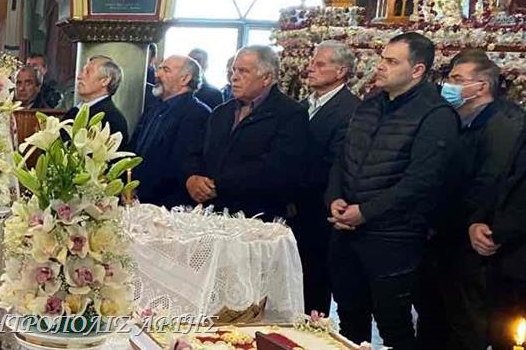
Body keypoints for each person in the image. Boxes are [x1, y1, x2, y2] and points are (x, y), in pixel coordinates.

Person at [326, 32, 460, 350]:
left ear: (417, 70)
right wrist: (334, 198)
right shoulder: (369, 105)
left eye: (391, 61)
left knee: (393, 325)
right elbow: (342, 158)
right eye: (381, 58)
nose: (380, 66)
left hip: (394, 238)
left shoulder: (436, 114)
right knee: (349, 318)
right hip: (347, 230)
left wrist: (365, 212)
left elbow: (421, 181)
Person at [417, 49, 524, 349]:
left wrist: (473, 221)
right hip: (445, 237)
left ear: (481, 86)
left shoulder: (503, 124)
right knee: (436, 318)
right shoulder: (459, 119)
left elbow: (491, 182)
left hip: (471, 241)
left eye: (457, 79)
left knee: (466, 324)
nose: (448, 86)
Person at [192, 45, 308, 219]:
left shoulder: (291, 114)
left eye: (243, 71)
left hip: (256, 217)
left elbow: (277, 169)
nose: (234, 77)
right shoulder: (221, 112)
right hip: (211, 213)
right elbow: (196, 151)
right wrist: (192, 178)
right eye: (234, 70)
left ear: (266, 77)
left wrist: (219, 185)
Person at [295, 40, 359, 314]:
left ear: (341, 71)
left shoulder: (351, 110)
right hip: (292, 208)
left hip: (318, 210)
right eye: (311, 62)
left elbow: (336, 163)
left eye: (320, 64)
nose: (311, 68)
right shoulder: (302, 105)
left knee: (313, 285)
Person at [469, 131, 526, 350]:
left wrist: (499, 233)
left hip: (513, 250)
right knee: (501, 336)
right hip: (506, 265)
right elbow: (504, 180)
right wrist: (477, 222)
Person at [130, 55, 210, 208]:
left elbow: (181, 162)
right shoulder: (153, 109)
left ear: (185, 79)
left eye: (165, 70)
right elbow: (135, 150)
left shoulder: (197, 113)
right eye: (159, 68)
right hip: (137, 199)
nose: (157, 74)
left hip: (167, 205)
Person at [63, 55, 128, 143]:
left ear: (105, 81)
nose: (79, 76)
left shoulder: (112, 120)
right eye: (82, 71)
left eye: (88, 72)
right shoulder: (73, 112)